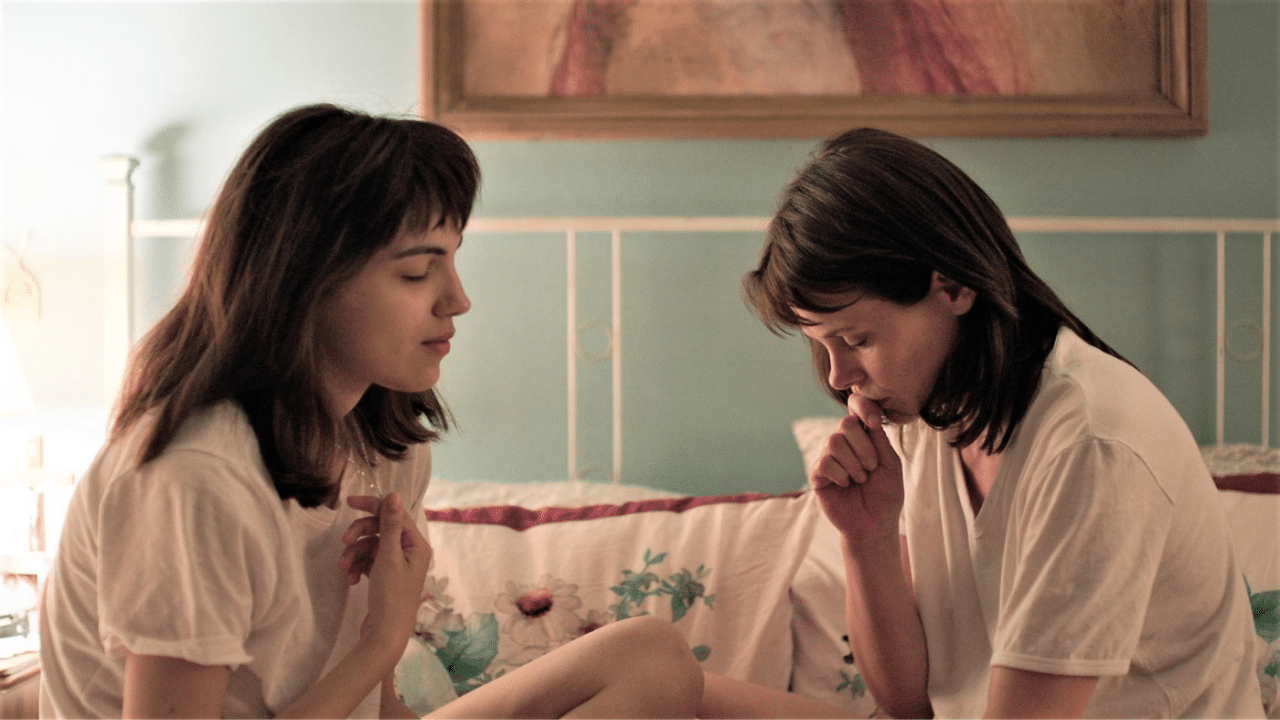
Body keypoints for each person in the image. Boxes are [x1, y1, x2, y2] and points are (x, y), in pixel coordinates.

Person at [38, 103, 703, 719]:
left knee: (648, 658)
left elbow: (380, 712)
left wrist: (381, 663)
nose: (458, 299)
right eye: (417, 272)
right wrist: (381, 642)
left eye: (453, 261)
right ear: (304, 280)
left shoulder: (386, 449)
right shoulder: (197, 478)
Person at [741, 128, 1265, 718]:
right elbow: (910, 701)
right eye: (821, 345)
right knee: (681, 682)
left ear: (953, 286)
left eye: (857, 339)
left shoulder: (1090, 442)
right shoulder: (924, 417)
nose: (840, 377)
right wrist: (867, 540)